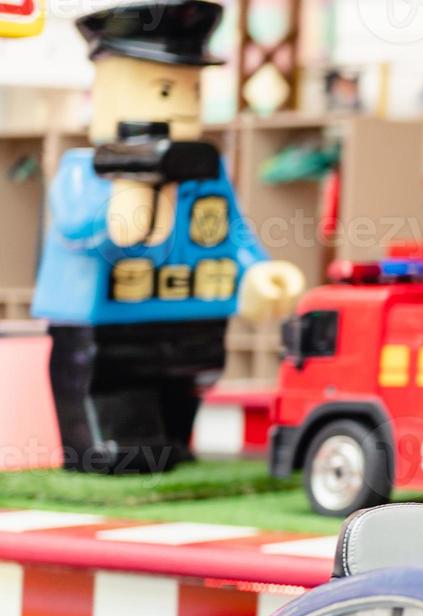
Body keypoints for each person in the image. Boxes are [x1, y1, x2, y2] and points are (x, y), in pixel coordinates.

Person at [31, 0, 303, 474]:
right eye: (165, 90)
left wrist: (257, 269)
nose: (182, 105)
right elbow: (90, 234)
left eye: (193, 92)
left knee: (177, 411)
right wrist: (133, 186)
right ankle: (116, 443)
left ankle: (174, 439)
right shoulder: (85, 173)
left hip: (189, 319)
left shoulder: (202, 170)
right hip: (106, 327)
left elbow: (228, 227)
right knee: (119, 436)